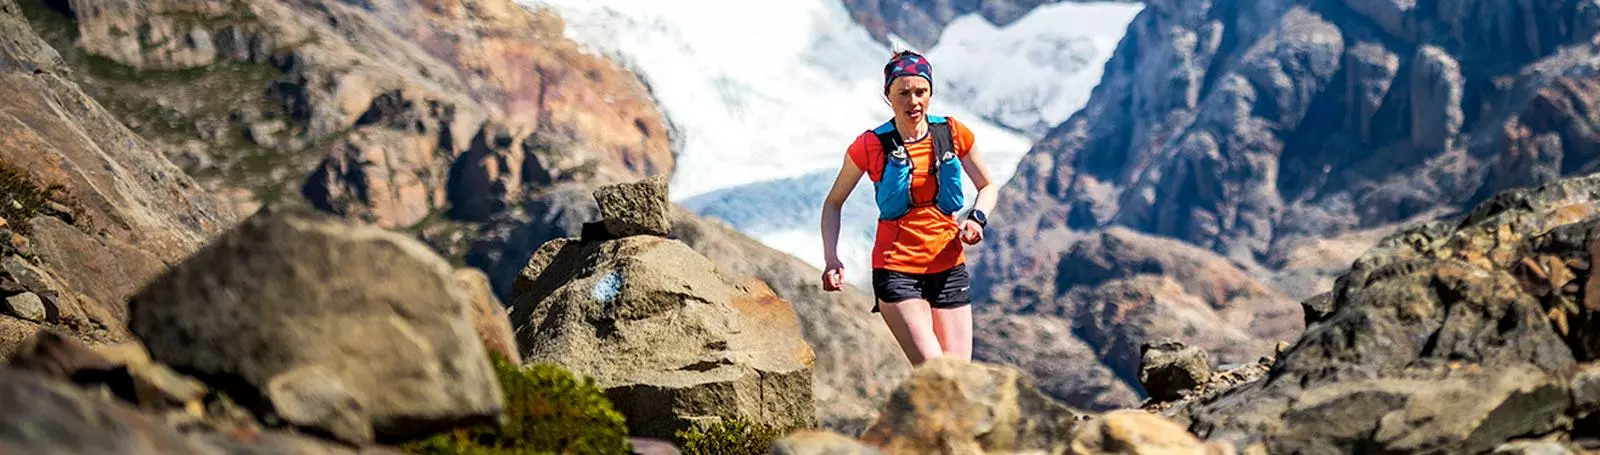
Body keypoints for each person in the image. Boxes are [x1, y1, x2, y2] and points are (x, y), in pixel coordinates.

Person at [819, 49, 998, 366]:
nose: (913, 101)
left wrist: (977, 219)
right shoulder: (869, 145)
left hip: (949, 267)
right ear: (887, 95)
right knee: (935, 373)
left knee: (960, 380)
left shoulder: (953, 133)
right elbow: (834, 203)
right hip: (897, 270)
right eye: (903, 93)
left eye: (920, 92)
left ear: (930, 93)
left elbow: (987, 187)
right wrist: (831, 257)